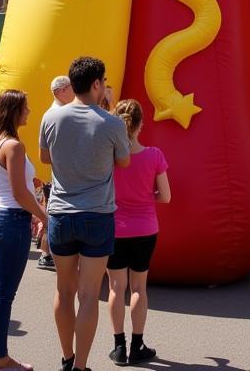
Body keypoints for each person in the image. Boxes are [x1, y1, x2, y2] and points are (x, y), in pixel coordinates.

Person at [39, 57, 130, 371]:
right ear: (96, 84)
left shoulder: (51, 119)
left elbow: (44, 157)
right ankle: (81, 366)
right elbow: (124, 162)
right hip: (97, 215)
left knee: (64, 291)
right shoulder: (112, 123)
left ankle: (66, 358)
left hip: (61, 214)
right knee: (89, 295)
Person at [0, 89, 48, 371]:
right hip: (11, 220)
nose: (29, 111)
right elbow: (19, 192)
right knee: (4, 294)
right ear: (14, 112)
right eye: (25, 107)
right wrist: (43, 215)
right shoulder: (13, 146)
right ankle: (0, 358)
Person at [106, 99, 170, 367]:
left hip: (114, 229)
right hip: (145, 229)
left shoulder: (108, 158)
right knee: (138, 288)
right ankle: (138, 344)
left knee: (115, 288)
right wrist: (147, 194)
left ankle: (118, 346)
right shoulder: (154, 155)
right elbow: (165, 196)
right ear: (141, 124)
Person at [36, 75, 75, 270]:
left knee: (52, 214)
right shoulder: (57, 114)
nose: (74, 91)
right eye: (71, 87)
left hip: (57, 174)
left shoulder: (56, 112)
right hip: (59, 175)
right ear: (60, 91)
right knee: (52, 216)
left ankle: (46, 253)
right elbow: (48, 153)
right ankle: (46, 253)